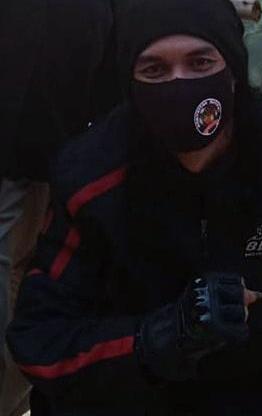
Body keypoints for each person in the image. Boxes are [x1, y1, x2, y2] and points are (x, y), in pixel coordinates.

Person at [7, 0, 262, 415]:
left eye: (200, 62)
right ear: (129, 80)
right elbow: (40, 340)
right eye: (154, 69)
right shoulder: (90, 176)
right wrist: (159, 338)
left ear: (232, 68)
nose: (180, 84)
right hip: (132, 392)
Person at [0, 1, 119, 414]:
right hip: (52, 143)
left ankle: (14, 395)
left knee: (22, 265)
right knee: (24, 265)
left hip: (42, 146)